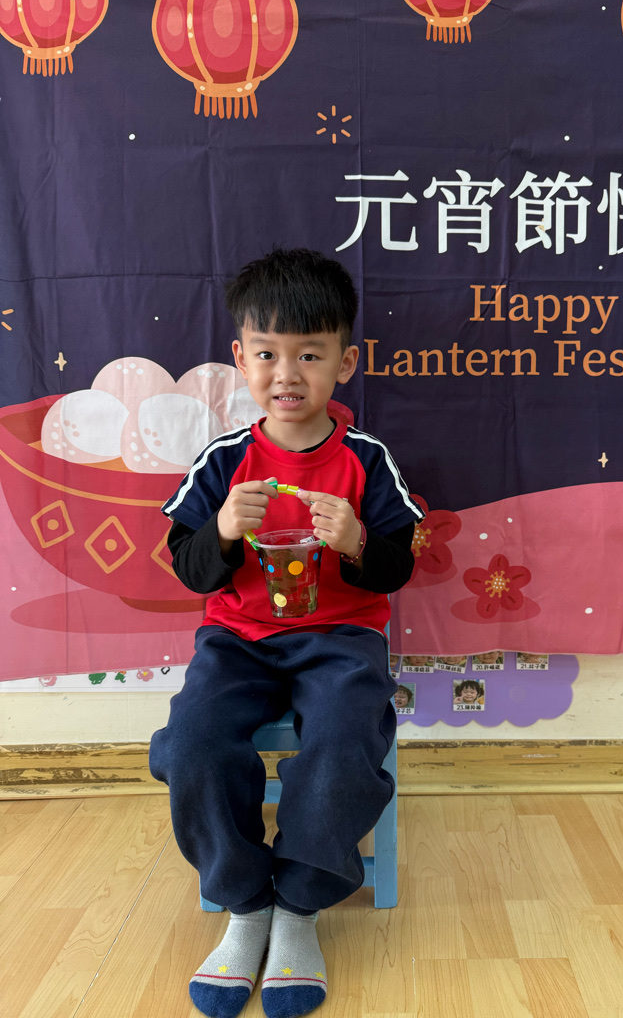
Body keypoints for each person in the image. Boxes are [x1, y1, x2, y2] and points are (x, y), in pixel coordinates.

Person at [149, 248, 424, 1018]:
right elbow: (189, 569)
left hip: (341, 639)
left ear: (345, 362)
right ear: (241, 359)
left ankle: (299, 907)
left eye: (310, 354)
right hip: (236, 641)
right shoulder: (226, 461)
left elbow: (399, 564)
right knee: (192, 744)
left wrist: (358, 544)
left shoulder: (367, 460)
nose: (287, 374)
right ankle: (246, 905)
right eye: (268, 354)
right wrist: (222, 530)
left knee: (345, 740)